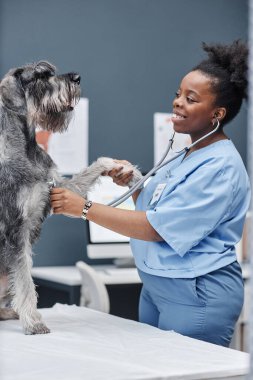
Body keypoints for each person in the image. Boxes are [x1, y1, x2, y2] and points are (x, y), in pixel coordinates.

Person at [51, 40, 250, 347]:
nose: (177, 103)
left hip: (196, 294)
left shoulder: (220, 166)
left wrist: (84, 208)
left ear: (217, 114)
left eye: (191, 99)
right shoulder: (187, 153)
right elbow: (153, 209)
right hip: (157, 288)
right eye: (178, 94)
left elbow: (156, 228)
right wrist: (135, 184)